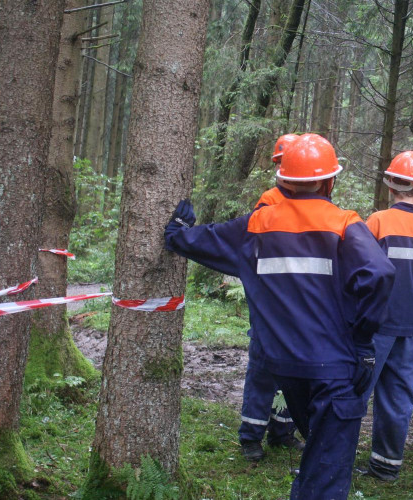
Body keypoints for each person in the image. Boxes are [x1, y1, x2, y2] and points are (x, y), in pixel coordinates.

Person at [165, 133, 395, 500]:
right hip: (334, 368)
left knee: (317, 455)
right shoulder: (344, 224)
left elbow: (201, 240)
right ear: (327, 180)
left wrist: (177, 232)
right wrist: (364, 339)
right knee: (330, 465)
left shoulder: (256, 225)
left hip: (285, 366)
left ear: (283, 177)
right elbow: (380, 274)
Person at [360, 151, 413, 482]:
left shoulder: (377, 221)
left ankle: (332, 462)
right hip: (410, 329)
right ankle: (386, 465)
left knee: (353, 394)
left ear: (391, 186)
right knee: (397, 398)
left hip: (374, 329)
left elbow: (361, 274)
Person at [238, 132, 303, 462]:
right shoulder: (269, 201)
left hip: (298, 304)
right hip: (270, 303)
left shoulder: (312, 203)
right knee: (263, 369)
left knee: (291, 371)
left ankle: (282, 431)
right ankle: (251, 436)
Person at [253, 133, 300, 209]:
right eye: (278, 162)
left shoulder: (316, 196)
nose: (280, 166)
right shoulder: (269, 199)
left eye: (285, 161)